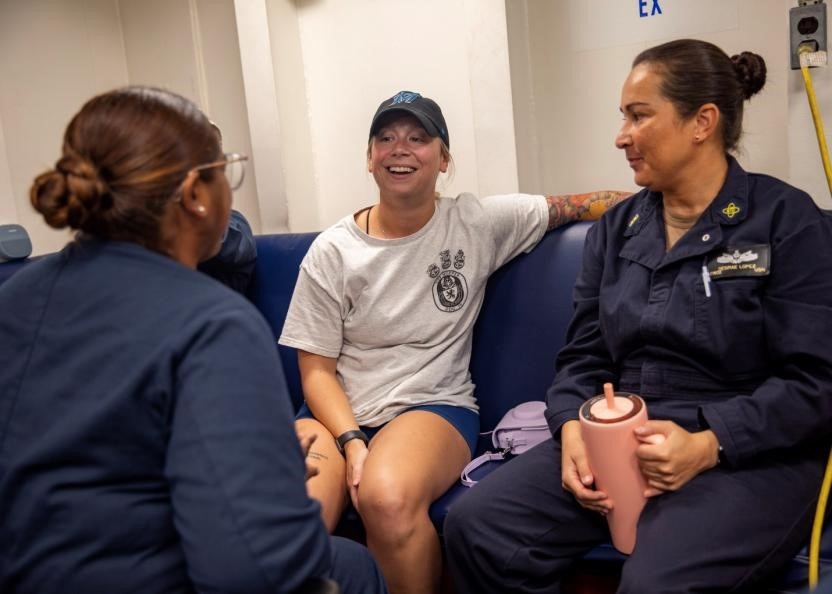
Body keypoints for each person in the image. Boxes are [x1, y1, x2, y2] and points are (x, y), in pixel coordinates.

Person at [443, 38, 832, 594]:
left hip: (748, 451)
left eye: (638, 115)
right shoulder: (617, 228)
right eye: (622, 116)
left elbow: (817, 383)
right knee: (479, 527)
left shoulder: (786, 221)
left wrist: (709, 443)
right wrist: (572, 425)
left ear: (702, 122)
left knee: (655, 584)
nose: (621, 135)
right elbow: (583, 356)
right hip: (620, 438)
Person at [0, 86, 387, 594]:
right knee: (352, 568)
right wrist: (272, 481)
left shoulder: (16, 295)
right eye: (224, 170)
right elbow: (253, 569)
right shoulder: (214, 324)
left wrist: (243, 450)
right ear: (194, 193)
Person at [277, 89, 630, 594]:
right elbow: (315, 372)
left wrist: (669, 204)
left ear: (444, 160)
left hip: (432, 407)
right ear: (369, 158)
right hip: (336, 417)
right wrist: (351, 440)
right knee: (284, 518)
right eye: (386, 138)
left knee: (385, 495)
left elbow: (578, 206)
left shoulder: (476, 222)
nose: (401, 149)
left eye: (418, 139)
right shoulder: (332, 252)